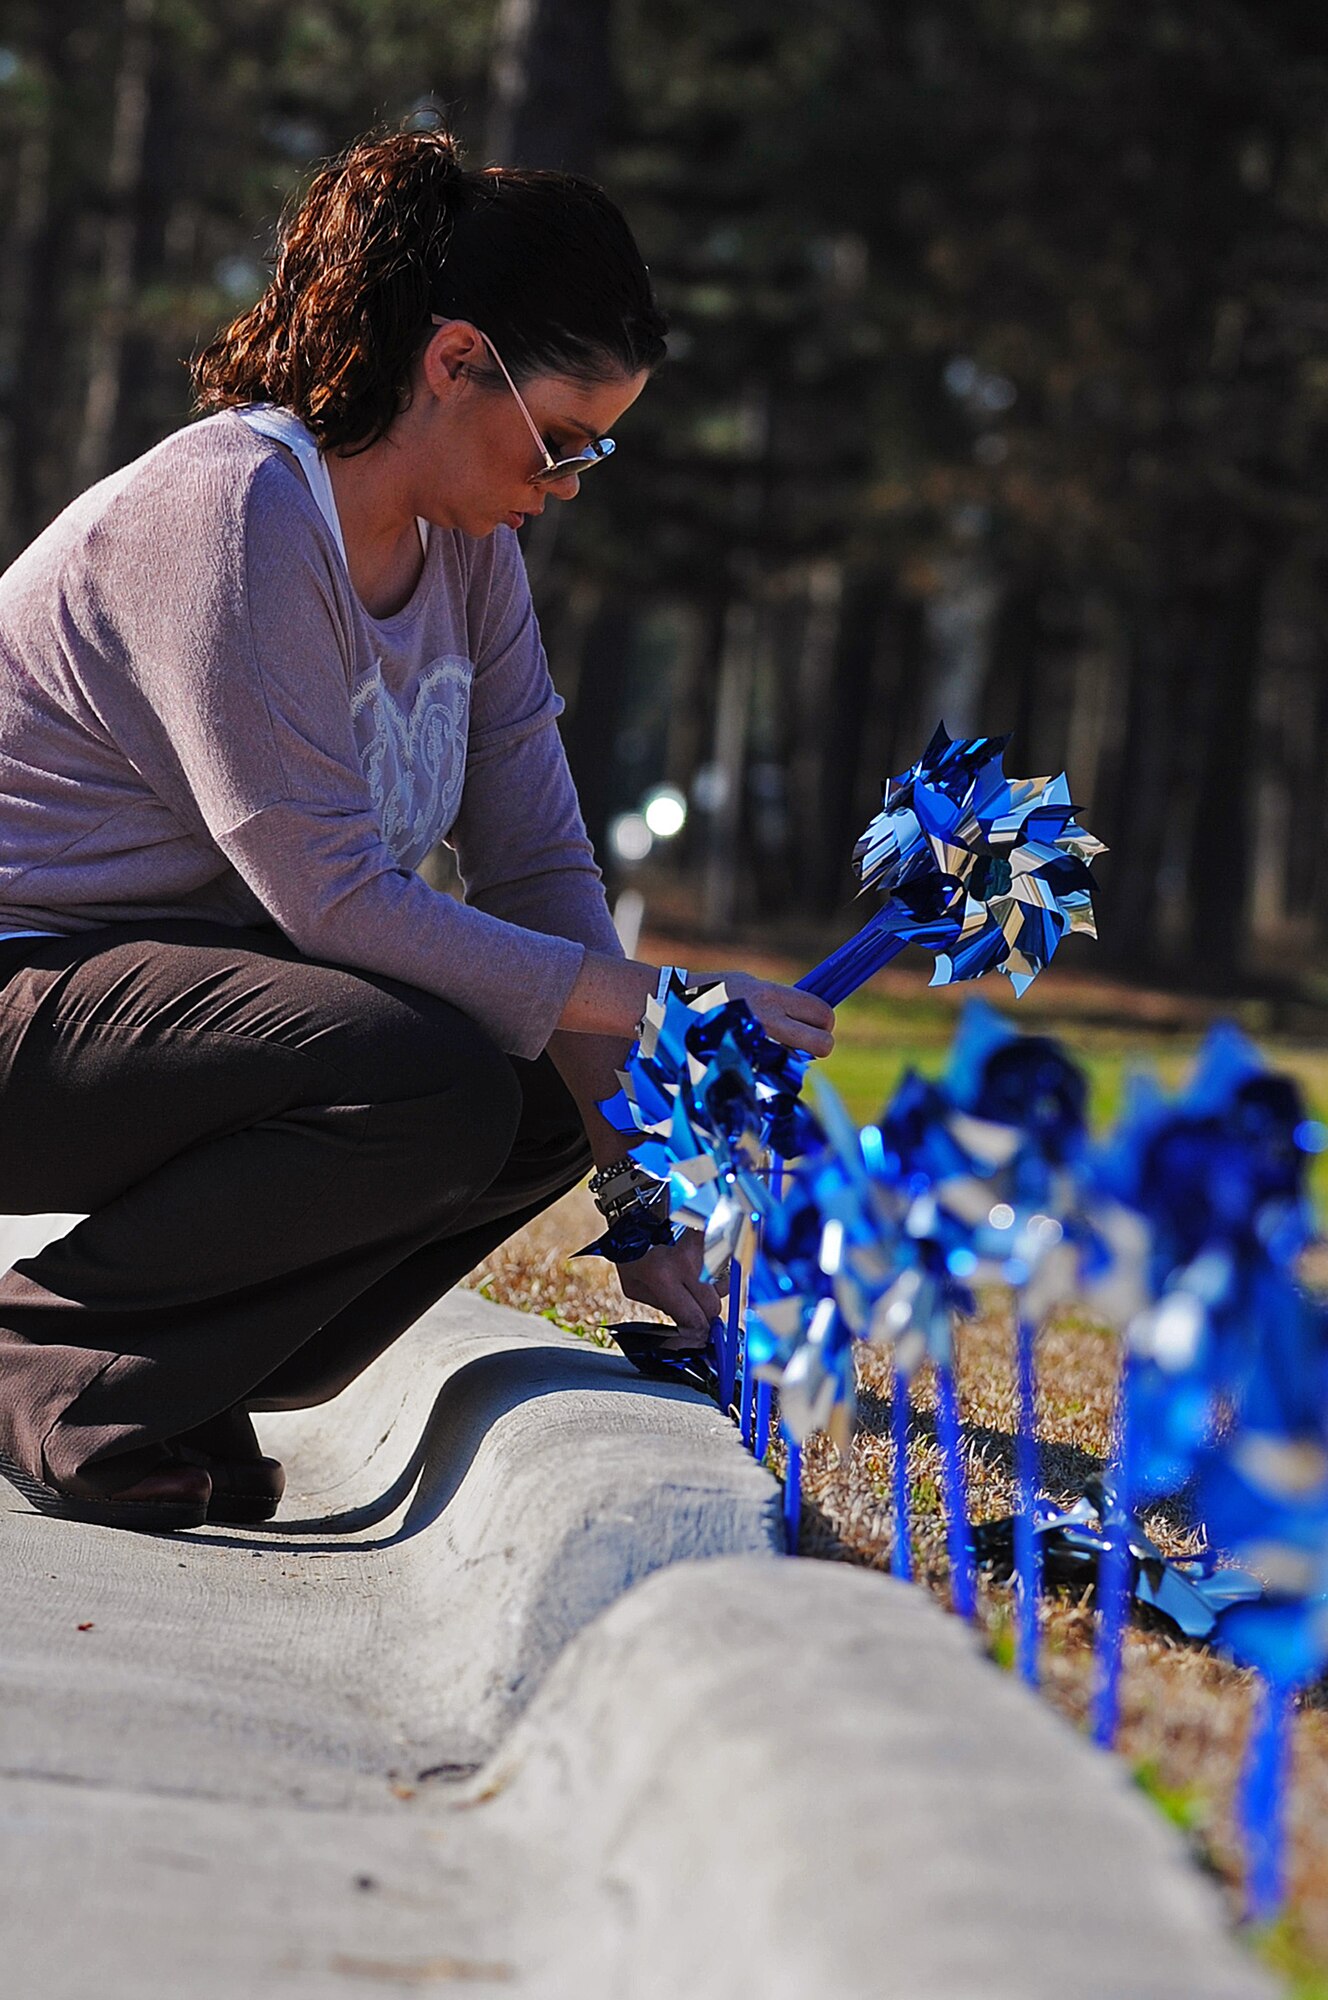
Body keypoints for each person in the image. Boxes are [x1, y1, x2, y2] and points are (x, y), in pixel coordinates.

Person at [0, 125, 834, 1534]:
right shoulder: (232, 514)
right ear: (453, 364)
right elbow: (329, 898)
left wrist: (640, 1181)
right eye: (562, 435)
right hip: (23, 992)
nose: (572, 478)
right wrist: (672, 1005)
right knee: (431, 1068)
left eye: (602, 447)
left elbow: (539, 866)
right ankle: (48, 1355)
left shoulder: (475, 550)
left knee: (525, 1095)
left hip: (157, 1016)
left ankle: (172, 1374)